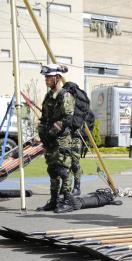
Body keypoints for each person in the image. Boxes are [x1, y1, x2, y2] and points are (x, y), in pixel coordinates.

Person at [36, 64, 75, 213]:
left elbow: (67, 119)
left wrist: (51, 133)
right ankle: (54, 200)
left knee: (64, 170)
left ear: (57, 77)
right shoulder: (48, 96)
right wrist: (42, 134)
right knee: (52, 169)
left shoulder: (65, 95)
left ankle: (68, 200)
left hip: (61, 139)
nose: (46, 79)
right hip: (50, 140)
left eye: (48, 76)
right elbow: (44, 118)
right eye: (45, 76)